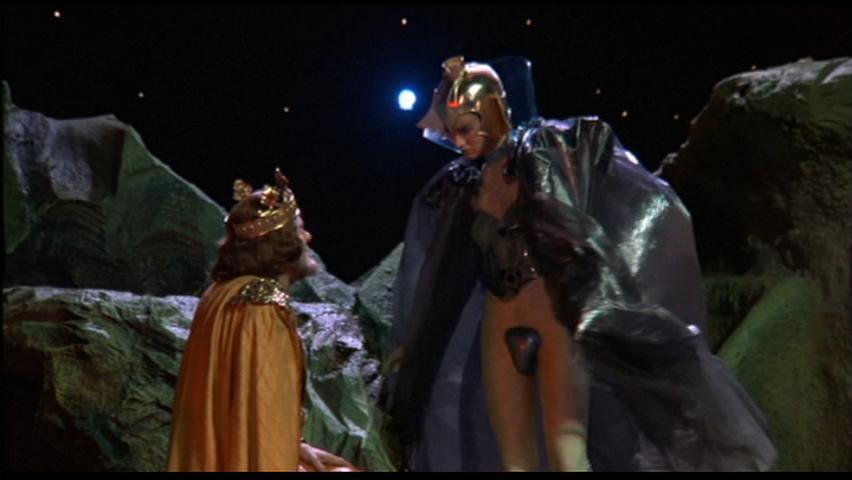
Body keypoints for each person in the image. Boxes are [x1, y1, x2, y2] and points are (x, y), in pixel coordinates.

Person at [385, 56, 777, 471]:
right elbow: (445, 267)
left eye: (466, 128)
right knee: (515, 459)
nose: (460, 142)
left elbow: (577, 220)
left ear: (492, 111)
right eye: (453, 133)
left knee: (567, 446)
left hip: (551, 310)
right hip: (500, 316)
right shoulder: (466, 183)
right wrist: (414, 342)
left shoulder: (542, 149)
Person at [166, 169, 355, 472]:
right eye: (299, 229)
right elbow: (265, 418)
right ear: (281, 242)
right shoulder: (263, 306)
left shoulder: (221, 292)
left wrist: (297, 447)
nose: (308, 237)